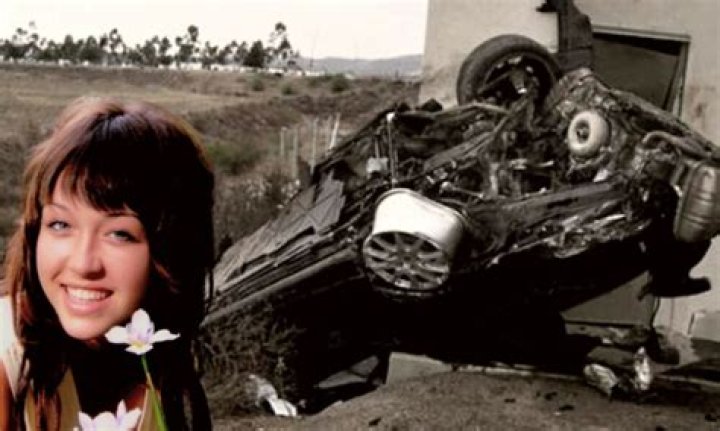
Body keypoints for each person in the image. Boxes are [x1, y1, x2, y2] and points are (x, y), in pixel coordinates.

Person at [0, 97, 215, 430]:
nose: (83, 263)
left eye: (119, 234)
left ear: (171, 250)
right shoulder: (8, 353)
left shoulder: (157, 357)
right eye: (61, 224)